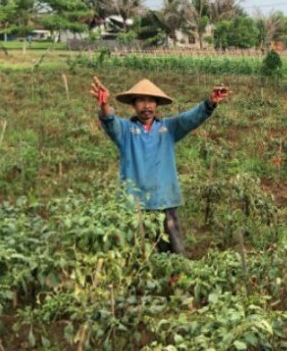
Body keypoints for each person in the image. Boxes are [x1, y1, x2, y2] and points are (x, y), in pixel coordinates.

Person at [90, 76, 229, 255]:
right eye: (141, 101)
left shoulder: (168, 128)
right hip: (134, 204)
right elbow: (110, 122)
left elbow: (190, 118)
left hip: (164, 201)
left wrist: (210, 103)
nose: (146, 106)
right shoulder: (125, 131)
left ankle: (174, 280)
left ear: (156, 105)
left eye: (151, 101)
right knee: (137, 253)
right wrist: (104, 104)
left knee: (173, 251)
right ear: (133, 104)